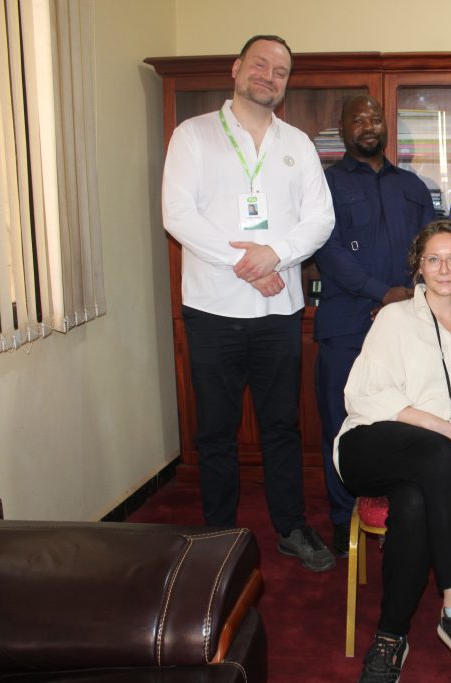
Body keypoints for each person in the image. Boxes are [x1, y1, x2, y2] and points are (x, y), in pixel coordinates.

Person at [161, 35, 336, 572]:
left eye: (280, 71)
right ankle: (217, 535)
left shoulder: (297, 143)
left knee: (282, 427)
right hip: (212, 310)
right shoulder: (193, 135)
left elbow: (320, 218)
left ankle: (291, 527)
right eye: (260, 64)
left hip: (279, 314)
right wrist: (249, 264)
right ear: (237, 68)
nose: (269, 75)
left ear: (286, 84)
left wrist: (275, 256)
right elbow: (178, 215)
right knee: (215, 432)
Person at [336, 219, 451, 683]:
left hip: (439, 466)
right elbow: (363, 394)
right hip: (370, 445)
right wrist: (441, 429)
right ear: (419, 266)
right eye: (433, 259)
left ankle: (391, 636)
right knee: (437, 453)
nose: (444, 268)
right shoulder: (394, 318)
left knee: (412, 504)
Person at [315, 94, 436, 557]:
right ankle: (343, 518)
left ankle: (399, 515)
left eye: (375, 118)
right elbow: (325, 248)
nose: (368, 125)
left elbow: (432, 247)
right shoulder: (325, 184)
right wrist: (379, 293)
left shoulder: (412, 186)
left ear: (386, 126)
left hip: (407, 325)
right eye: (358, 119)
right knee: (341, 423)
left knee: (403, 421)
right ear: (342, 129)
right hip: (347, 325)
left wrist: (404, 299)